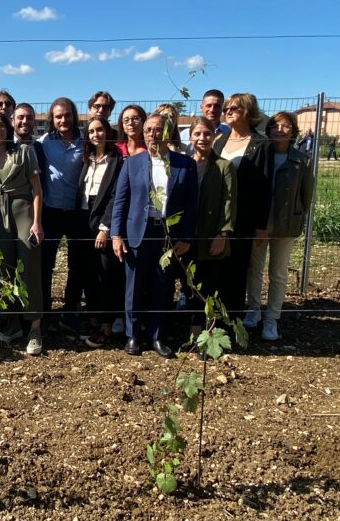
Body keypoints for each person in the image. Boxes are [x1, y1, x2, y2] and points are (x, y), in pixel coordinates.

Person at [111, 115, 198, 358]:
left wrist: (187, 237)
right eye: (149, 130)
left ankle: (157, 335)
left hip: (168, 235)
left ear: (168, 133)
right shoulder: (132, 163)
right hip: (138, 231)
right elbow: (120, 202)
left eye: (158, 129)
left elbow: (192, 206)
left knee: (163, 285)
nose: (153, 134)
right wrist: (116, 234)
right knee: (134, 286)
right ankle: (133, 335)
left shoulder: (185, 165)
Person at [244, 113, 314, 341]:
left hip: (285, 225)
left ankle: (272, 319)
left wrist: (293, 216)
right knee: (254, 269)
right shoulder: (259, 154)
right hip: (259, 223)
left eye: (285, 126)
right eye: (275, 125)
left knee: (278, 273)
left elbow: (306, 196)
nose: (279, 130)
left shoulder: (301, 160)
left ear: (293, 132)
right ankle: (253, 311)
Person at [0, 111, 45, 355]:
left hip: (23, 212)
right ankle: (12, 324)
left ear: (9, 129)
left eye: (1, 125)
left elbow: (37, 189)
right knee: (4, 270)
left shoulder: (24, 151)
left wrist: (37, 222)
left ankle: (35, 327)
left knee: (29, 267)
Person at [214, 93, 272, 319]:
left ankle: (232, 320)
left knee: (237, 270)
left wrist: (261, 225)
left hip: (244, 218)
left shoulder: (261, 144)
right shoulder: (219, 141)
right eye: (226, 108)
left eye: (234, 108)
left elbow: (265, 188)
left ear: (247, 111)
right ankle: (214, 318)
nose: (227, 111)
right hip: (217, 216)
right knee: (216, 269)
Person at [38, 97, 87, 331]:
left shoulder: (85, 141)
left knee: (77, 265)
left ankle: (71, 309)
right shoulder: (44, 142)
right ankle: (45, 311)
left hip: (77, 212)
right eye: (58, 116)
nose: (63, 120)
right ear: (52, 119)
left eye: (67, 115)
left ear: (74, 116)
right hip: (51, 211)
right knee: (46, 264)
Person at [76, 116, 124, 348]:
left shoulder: (117, 160)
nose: (96, 134)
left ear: (107, 132)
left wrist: (105, 228)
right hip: (85, 218)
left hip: (103, 221)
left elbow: (115, 197)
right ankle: (93, 319)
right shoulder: (88, 159)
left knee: (105, 273)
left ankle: (106, 324)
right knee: (89, 273)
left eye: (100, 130)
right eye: (92, 131)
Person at [186, 117, 236, 337]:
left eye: (207, 134)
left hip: (211, 238)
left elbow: (229, 201)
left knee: (208, 290)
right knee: (190, 289)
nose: (202, 138)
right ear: (190, 138)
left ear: (214, 136)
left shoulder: (224, 166)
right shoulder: (184, 164)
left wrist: (222, 234)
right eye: (197, 134)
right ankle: (193, 332)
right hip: (187, 239)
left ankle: (206, 334)